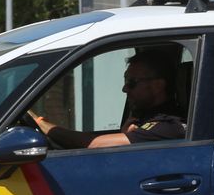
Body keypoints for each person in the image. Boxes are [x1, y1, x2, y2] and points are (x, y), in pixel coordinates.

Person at [30, 50, 186, 149]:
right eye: (125, 81)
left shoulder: (169, 125)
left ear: (158, 85)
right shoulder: (143, 117)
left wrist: (42, 124)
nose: (125, 89)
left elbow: (95, 144)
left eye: (132, 82)